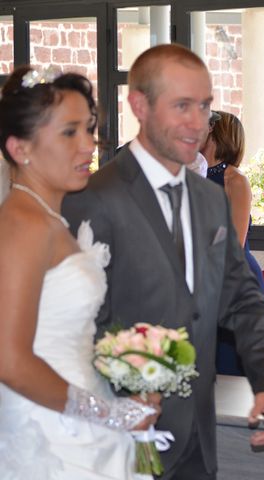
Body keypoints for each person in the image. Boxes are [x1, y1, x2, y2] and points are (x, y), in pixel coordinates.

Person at [62, 43, 264, 479]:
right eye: (181, 105)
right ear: (139, 105)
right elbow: (76, 322)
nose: (197, 122)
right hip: (121, 435)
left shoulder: (210, 198)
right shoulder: (92, 198)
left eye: (204, 107)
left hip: (199, 437)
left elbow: (242, 299)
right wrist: (126, 397)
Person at [0, 66, 157, 478]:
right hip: (48, 428)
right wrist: (109, 413)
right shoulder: (23, 224)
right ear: (21, 148)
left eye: (89, 129)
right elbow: (10, 361)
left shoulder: (48, 217)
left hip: (80, 406)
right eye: (70, 132)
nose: (89, 145)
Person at [201, 110, 264, 375]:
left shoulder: (235, 181)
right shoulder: (187, 173)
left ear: (216, 132)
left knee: (231, 369)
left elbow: (235, 242)